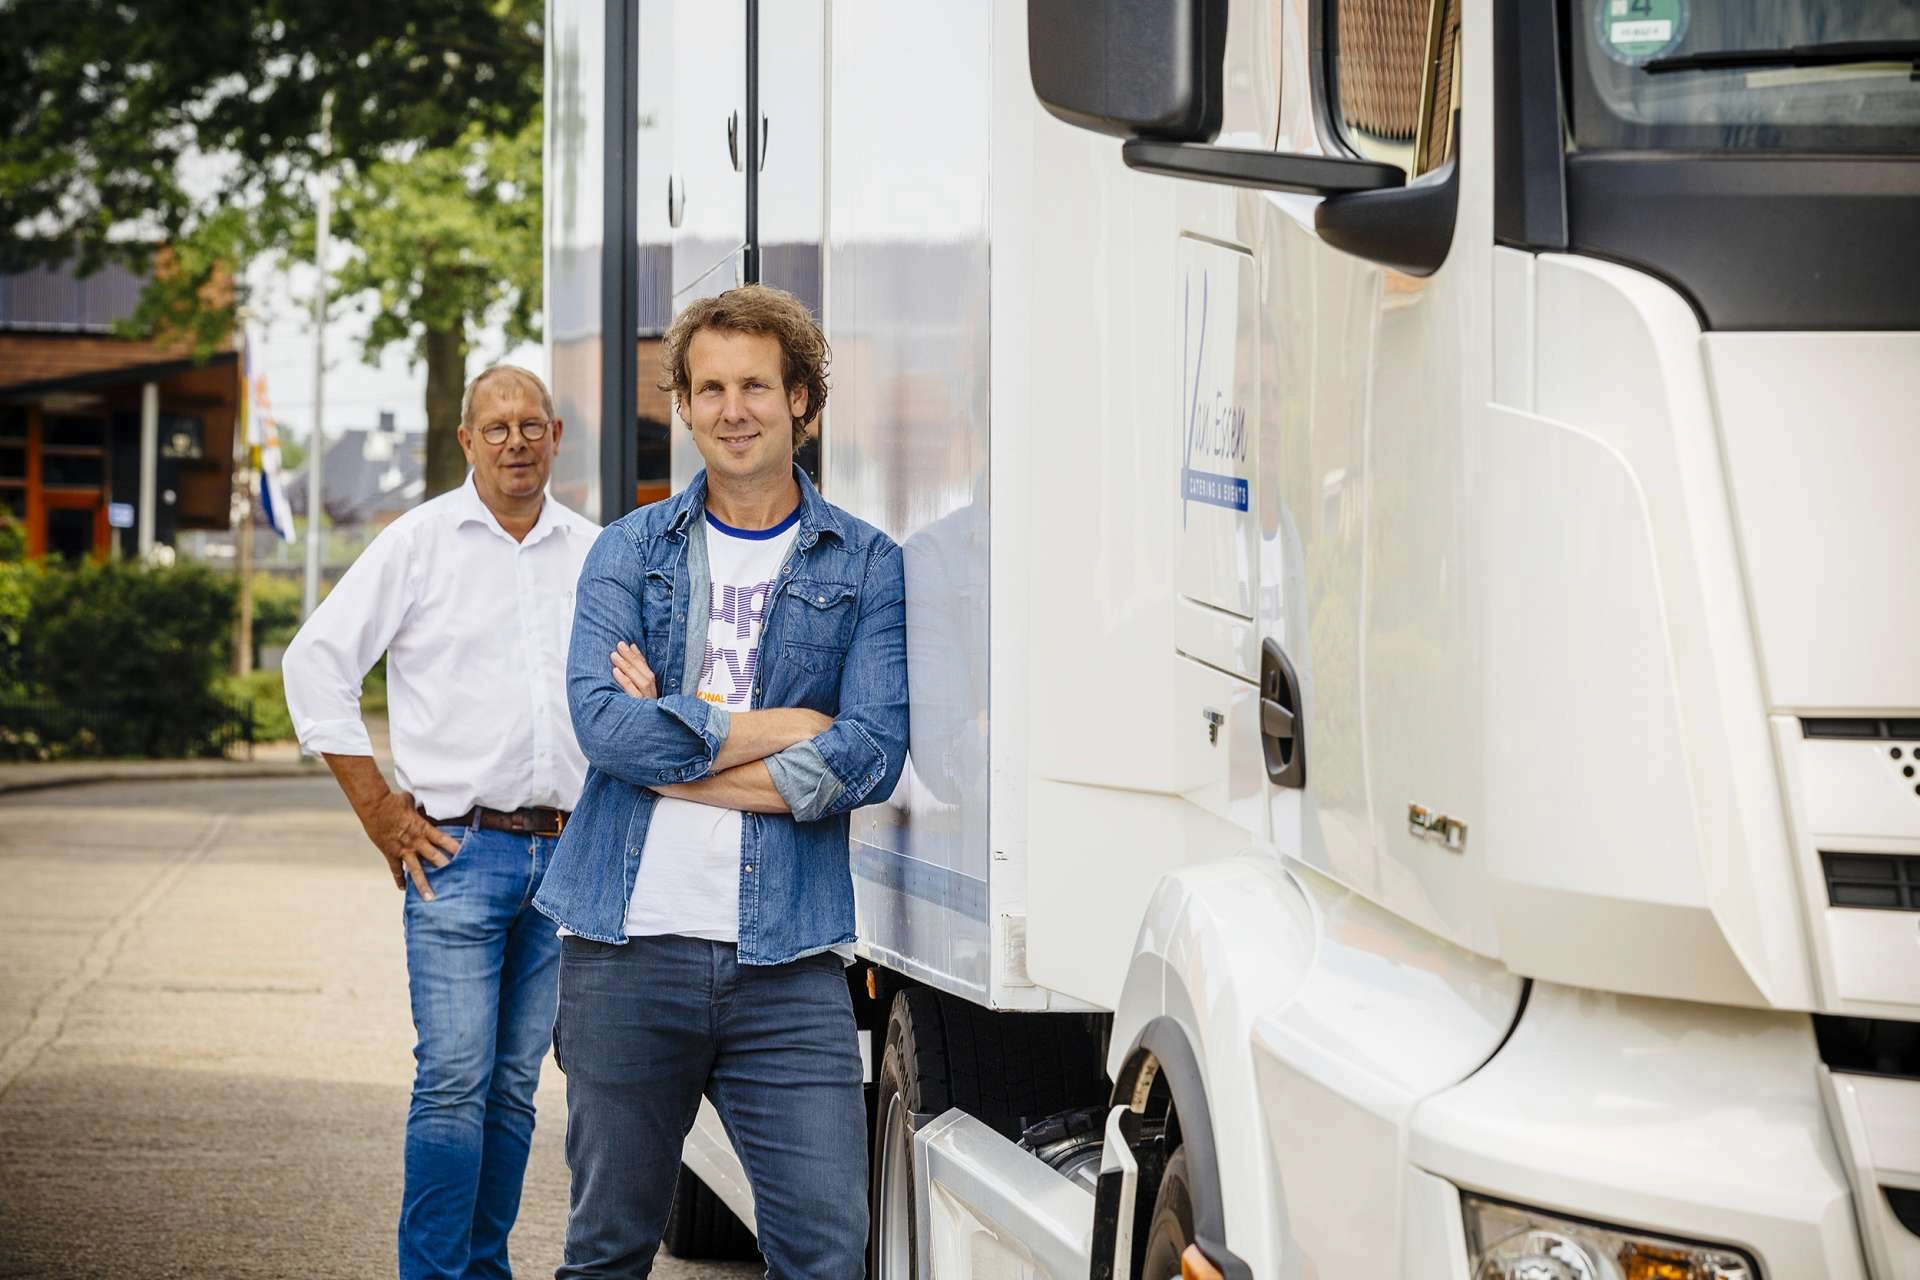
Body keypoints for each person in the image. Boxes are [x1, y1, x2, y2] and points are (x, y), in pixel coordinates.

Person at [532, 283, 909, 1279]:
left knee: (828, 1251)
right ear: (685, 408)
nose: (732, 407)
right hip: (625, 951)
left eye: (755, 385)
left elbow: (868, 750)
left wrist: (678, 752)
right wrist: (784, 729)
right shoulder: (628, 549)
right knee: (606, 1248)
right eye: (710, 388)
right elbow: (605, 726)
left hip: (787, 965)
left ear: (802, 404)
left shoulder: (866, 564)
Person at [282, 365, 598, 1280]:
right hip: (458, 854)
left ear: (556, 437)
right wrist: (378, 808)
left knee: (512, 1092)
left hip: (567, 859)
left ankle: (482, 1268)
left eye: (531, 426)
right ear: (466, 441)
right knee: (454, 1083)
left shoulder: (594, 551)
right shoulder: (417, 543)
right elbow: (316, 666)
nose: (515, 442)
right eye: (495, 428)